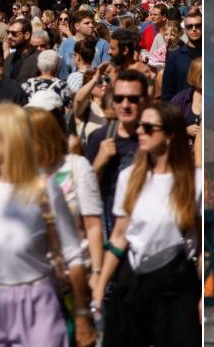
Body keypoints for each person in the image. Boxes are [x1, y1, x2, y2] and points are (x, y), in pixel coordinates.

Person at [0, 103, 97, 347]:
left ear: (12, 137)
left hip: (37, 303)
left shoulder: (43, 188)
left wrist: (83, 315)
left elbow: (73, 255)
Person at [92, 103, 201, 344]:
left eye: (149, 127)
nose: (140, 131)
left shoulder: (196, 183)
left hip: (177, 284)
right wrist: (99, 288)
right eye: (140, 126)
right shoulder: (129, 178)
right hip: (134, 280)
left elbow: (204, 245)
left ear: (170, 135)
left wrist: (205, 292)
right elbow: (119, 236)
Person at [29, 107, 104, 287]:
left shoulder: (76, 167)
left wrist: (96, 272)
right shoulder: (20, 174)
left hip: (77, 275)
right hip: (36, 279)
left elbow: (92, 224)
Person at [85, 69, 147, 236]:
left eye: (133, 99)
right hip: (111, 231)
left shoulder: (156, 138)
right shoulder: (101, 137)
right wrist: (99, 161)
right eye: (119, 99)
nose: (125, 105)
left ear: (144, 101)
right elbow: (85, 189)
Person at [160, 9, 201, 102]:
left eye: (198, 26)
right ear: (185, 30)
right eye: (190, 26)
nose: (194, 29)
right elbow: (167, 92)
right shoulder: (175, 57)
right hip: (183, 111)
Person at [71, 67, 114, 154]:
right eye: (99, 82)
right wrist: (95, 79)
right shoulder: (87, 106)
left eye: (106, 80)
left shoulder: (115, 106)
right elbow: (78, 100)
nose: (104, 84)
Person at [57, 10, 110, 80]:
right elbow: (62, 71)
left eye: (92, 23)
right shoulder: (65, 44)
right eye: (87, 23)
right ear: (77, 26)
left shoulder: (102, 44)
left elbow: (107, 70)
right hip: (71, 86)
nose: (91, 25)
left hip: (95, 86)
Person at [108, 28, 156, 98]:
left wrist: (151, 83)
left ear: (125, 50)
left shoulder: (144, 72)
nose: (109, 52)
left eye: (112, 48)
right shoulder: (112, 69)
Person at [169, 58, 202, 150]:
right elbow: (167, 128)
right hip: (185, 154)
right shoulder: (179, 100)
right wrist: (185, 130)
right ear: (194, 76)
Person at [1, 18, 41, 84]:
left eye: (14, 33)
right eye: (8, 33)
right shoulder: (9, 58)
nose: (9, 36)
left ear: (26, 35)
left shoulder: (39, 59)